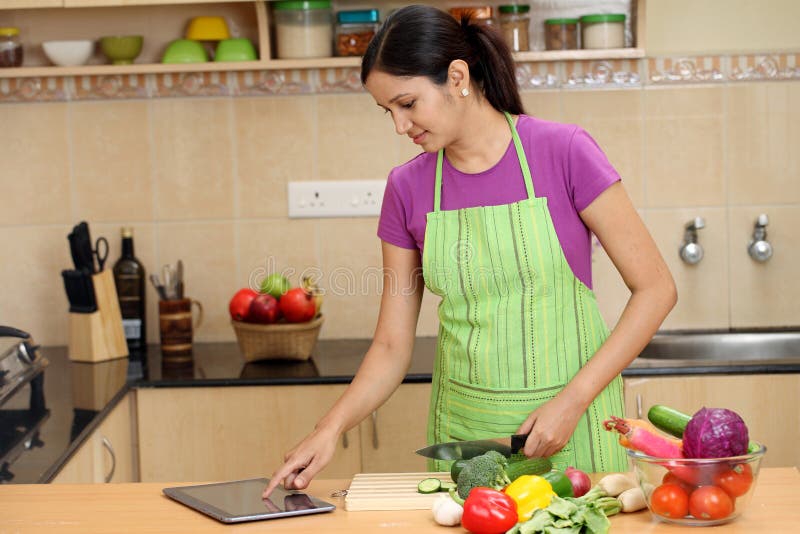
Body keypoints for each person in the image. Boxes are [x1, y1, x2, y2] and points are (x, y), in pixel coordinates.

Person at [263, 4, 676, 497]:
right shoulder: (406, 188)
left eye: (407, 103)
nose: (399, 126)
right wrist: (329, 428)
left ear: (457, 77)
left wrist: (573, 401)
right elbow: (392, 345)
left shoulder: (564, 152)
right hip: (469, 437)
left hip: (573, 426)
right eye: (387, 111)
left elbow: (655, 289)